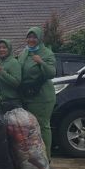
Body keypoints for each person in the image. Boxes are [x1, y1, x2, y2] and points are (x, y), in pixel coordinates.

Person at [19, 27, 57, 159]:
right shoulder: (24, 52)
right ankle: (34, 158)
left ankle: (46, 158)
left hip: (43, 96)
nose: (31, 40)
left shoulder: (46, 53)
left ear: (39, 39)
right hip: (27, 95)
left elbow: (52, 73)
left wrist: (41, 62)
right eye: (29, 37)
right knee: (30, 128)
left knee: (43, 125)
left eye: (34, 37)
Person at [0, 39, 22, 112]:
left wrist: (2, 72)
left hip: (12, 102)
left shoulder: (13, 62)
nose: (1, 49)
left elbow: (16, 83)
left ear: (9, 49)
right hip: (1, 103)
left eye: (4, 47)